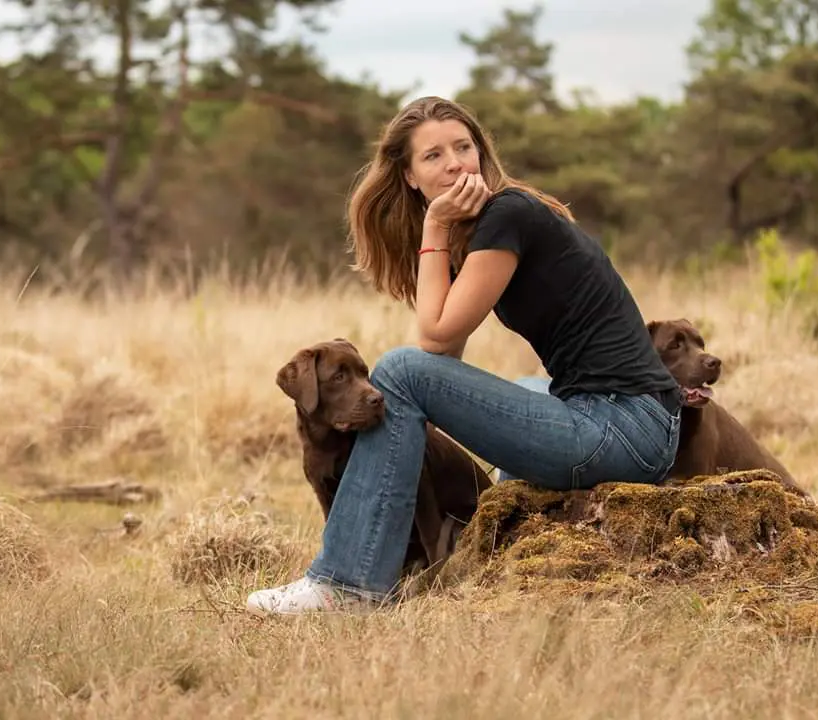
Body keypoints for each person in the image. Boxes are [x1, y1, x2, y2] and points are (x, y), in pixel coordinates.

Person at [246, 96, 683, 615]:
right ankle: (466, 536)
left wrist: (434, 227)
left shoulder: (509, 213)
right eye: (433, 156)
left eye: (464, 147)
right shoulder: (485, 229)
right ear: (408, 175)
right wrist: (445, 239)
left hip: (620, 427)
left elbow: (431, 345)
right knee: (518, 384)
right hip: (631, 421)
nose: (455, 162)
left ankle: (349, 583)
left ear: (481, 153)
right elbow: (449, 353)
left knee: (399, 371)